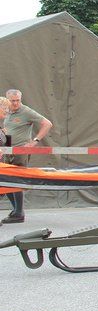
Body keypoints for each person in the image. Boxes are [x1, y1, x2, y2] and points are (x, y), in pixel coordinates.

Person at [2, 90, 53, 224]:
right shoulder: (6, 112)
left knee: (16, 180)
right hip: (7, 151)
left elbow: (47, 124)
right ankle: (16, 210)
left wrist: (34, 141)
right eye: (12, 101)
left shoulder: (26, 111)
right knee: (6, 180)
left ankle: (19, 212)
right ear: (7, 100)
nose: (15, 103)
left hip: (20, 152)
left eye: (17, 100)